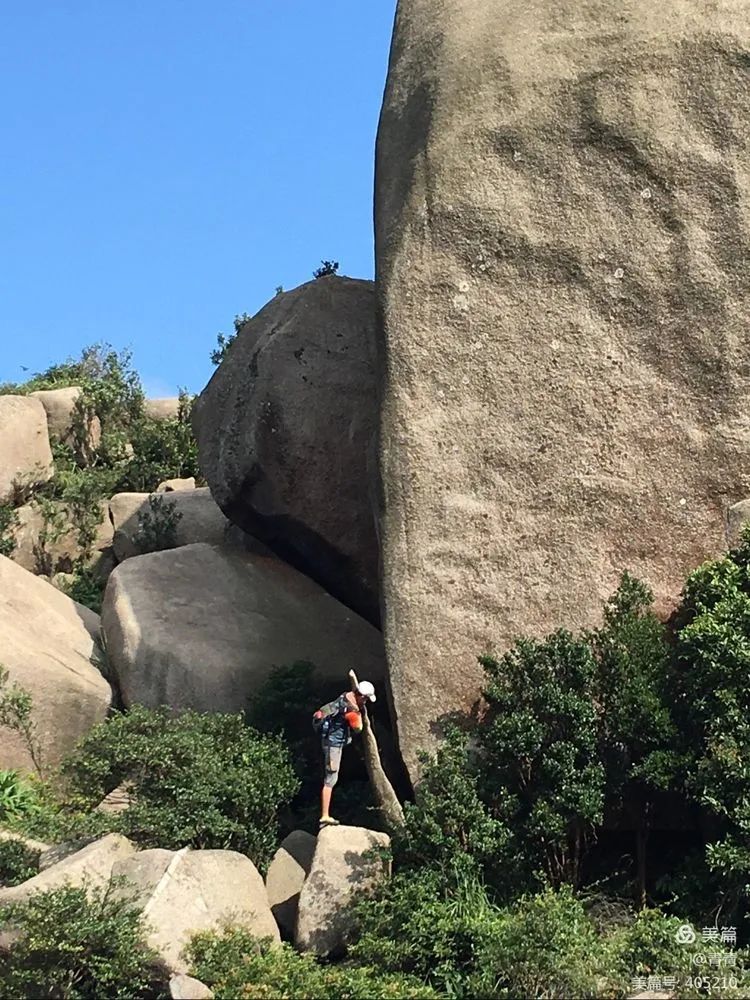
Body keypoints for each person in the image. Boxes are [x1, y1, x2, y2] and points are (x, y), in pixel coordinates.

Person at [313, 679, 376, 826]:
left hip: (327, 740)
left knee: (331, 777)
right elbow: (358, 728)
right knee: (331, 779)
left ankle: (325, 814)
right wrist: (359, 714)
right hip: (333, 746)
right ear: (361, 696)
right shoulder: (352, 711)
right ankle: (325, 816)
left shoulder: (346, 696)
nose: (365, 702)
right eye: (366, 699)